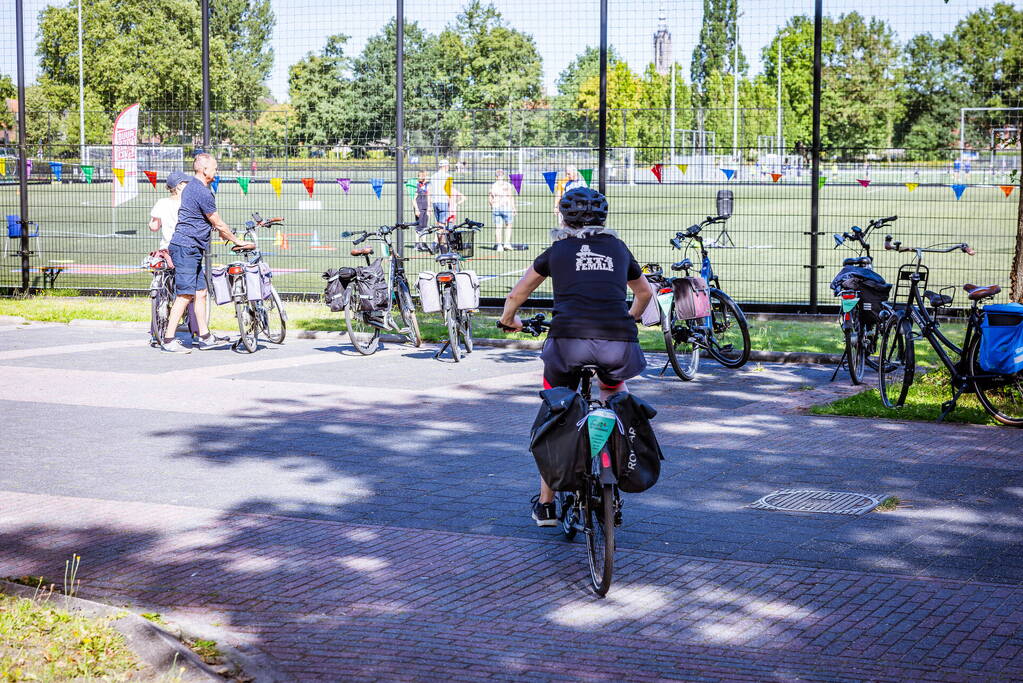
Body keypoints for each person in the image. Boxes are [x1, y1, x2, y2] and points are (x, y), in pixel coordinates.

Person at [498, 187, 651, 527]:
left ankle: (547, 504)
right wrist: (630, 318)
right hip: (616, 344)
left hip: (567, 344)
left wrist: (509, 321)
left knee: (556, 411)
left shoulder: (557, 251)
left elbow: (517, 294)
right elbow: (644, 293)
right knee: (615, 397)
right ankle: (618, 466)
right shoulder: (618, 249)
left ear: (563, 218)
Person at [160, 153, 255, 353]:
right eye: (214, 167)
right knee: (185, 295)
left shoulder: (193, 187)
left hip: (192, 247)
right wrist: (236, 240)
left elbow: (202, 219)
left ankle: (204, 337)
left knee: (200, 293)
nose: (216, 171)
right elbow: (217, 221)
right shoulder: (201, 191)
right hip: (186, 247)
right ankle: (168, 339)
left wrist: (221, 233)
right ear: (204, 169)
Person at [148, 171, 190, 249]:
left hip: (167, 247)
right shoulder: (189, 203)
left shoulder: (161, 203)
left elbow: (153, 227)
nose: (189, 184)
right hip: (186, 246)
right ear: (179, 186)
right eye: (186, 182)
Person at [488, 169, 517, 251]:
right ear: (503, 176)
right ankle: (507, 243)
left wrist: (492, 206)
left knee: (498, 227)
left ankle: (499, 245)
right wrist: (513, 208)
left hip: (496, 207)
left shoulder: (493, 186)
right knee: (508, 225)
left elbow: (490, 199)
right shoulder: (508, 185)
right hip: (506, 207)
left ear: (496, 177)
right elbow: (511, 197)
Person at [428, 159, 451, 225]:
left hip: (435, 202)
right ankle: (442, 235)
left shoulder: (433, 176)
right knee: (443, 224)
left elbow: (430, 190)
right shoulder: (448, 176)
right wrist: (450, 203)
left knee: (438, 223)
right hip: (443, 201)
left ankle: (438, 235)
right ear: (445, 166)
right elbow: (448, 191)